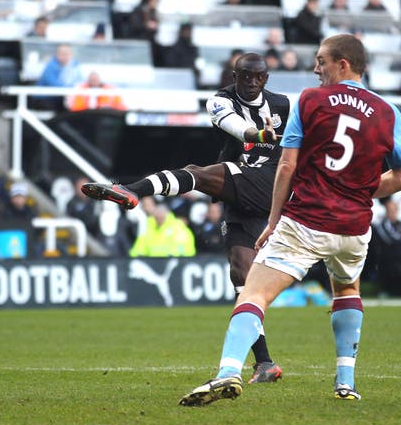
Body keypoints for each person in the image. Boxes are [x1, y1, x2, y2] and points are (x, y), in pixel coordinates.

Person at [179, 34, 401, 406]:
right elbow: (399, 173)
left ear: (342, 64)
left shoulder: (310, 100)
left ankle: (228, 372)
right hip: (354, 227)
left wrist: (272, 220)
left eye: (321, 61)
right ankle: (345, 383)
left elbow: (286, 166)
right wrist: (361, 191)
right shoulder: (389, 112)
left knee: (253, 294)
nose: (315, 68)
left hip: (306, 221)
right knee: (346, 291)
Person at [82, 53, 289, 383]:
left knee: (196, 173)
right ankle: (264, 362)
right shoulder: (219, 101)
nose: (251, 83)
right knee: (241, 273)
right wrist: (257, 135)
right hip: (239, 193)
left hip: (268, 181)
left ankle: (132, 191)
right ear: (234, 76)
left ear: (266, 78)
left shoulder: (283, 105)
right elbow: (236, 127)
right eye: (245, 76)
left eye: (258, 77)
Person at [129, 197, 196, 258]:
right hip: (151, 264)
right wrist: (136, 256)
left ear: (166, 215)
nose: (159, 218)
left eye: (161, 217)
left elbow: (184, 248)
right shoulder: (148, 226)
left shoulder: (178, 227)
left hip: (173, 263)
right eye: (156, 217)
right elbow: (139, 247)